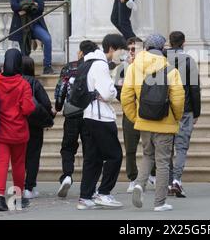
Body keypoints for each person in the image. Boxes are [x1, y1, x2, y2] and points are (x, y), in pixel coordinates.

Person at [122, 34, 185, 212]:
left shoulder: (133, 68)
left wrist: (136, 118)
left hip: (144, 122)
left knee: (148, 156)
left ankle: (139, 185)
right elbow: (179, 100)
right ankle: (159, 202)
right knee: (163, 161)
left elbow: (126, 97)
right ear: (162, 48)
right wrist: (176, 117)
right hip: (165, 123)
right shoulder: (171, 70)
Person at [77, 34, 127, 210]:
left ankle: (85, 196)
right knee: (115, 156)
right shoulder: (100, 65)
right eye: (121, 50)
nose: (123, 55)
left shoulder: (89, 61)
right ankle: (104, 193)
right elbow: (108, 93)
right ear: (112, 48)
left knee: (93, 158)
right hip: (101, 117)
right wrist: (112, 92)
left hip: (88, 115)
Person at [54, 41, 99, 198]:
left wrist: (58, 107)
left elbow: (61, 88)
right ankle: (89, 187)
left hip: (72, 112)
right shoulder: (96, 66)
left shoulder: (70, 67)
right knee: (90, 150)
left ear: (80, 52)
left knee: (68, 147)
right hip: (89, 113)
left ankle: (67, 175)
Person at [0, 49, 35, 212]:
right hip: (18, 131)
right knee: (18, 164)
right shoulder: (23, 83)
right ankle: (17, 197)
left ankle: (0, 196)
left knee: (1, 163)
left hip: (0, 131)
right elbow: (27, 108)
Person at [114, 37, 157, 194]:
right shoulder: (122, 69)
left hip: (148, 112)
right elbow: (118, 91)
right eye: (129, 49)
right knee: (130, 147)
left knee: (151, 146)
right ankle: (133, 178)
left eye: (135, 49)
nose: (132, 52)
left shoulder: (150, 67)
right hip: (130, 112)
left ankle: (152, 174)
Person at [166, 31, 201, 198]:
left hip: (165, 110)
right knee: (181, 147)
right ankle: (176, 181)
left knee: (166, 147)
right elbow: (194, 88)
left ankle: (168, 181)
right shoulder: (189, 61)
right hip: (185, 109)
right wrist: (197, 111)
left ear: (170, 42)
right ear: (184, 42)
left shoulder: (162, 60)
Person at [10, 0, 55, 75]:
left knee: (47, 39)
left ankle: (47, 66)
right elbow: (14, 6)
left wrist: (24, 8)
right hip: (21, 24)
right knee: (24, 51)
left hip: (35, 23)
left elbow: (40, 7)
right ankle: (26, 72)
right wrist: (31, 5)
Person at [22, 56, 55, 199]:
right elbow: (46, 103)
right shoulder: (34, 82)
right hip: (34, 124)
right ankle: (29, 187)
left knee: (19, 157)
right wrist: (49, 115)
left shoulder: (13, 81)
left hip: (16, 123)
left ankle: (19, 185)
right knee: (33, 156)